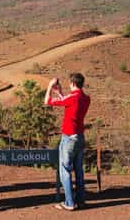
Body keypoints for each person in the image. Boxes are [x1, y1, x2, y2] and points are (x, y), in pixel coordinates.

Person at [44, 73, 91, 211]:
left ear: (72, 83)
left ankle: (69, 203)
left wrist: (49, 87)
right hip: (80, 137)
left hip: (69, 138)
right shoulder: (86, 98)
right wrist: (59, 93)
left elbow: (47, 101)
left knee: (65, 170)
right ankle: (80, 200)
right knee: (79, 170)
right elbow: (68, 101)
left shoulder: (73, 98)